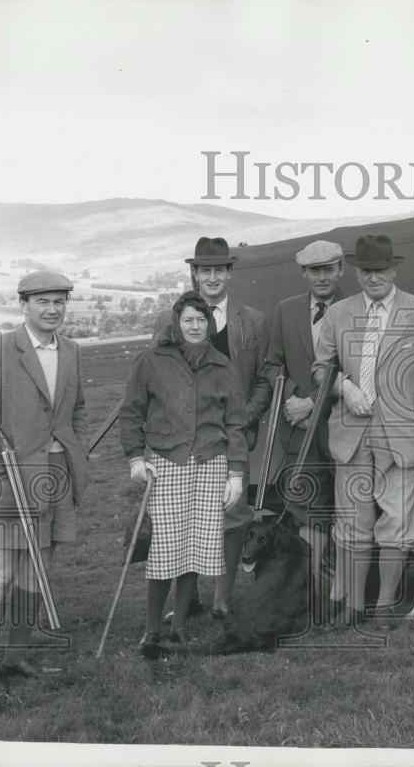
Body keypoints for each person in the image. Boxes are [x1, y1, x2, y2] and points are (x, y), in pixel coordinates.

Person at [313, 234, 414, 630]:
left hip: (403, 438)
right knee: (352, 524)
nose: (373, 278)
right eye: (366, 271)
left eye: (380, 270)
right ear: (357, 272)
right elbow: (320, 368)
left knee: (397, 524)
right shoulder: (338, 314)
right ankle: (354, 606)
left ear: (394, 269)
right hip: (351, 435)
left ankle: (384, 607)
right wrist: (343, 386)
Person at [0, 271, 90, 697]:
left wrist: (76, 452)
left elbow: (78, 413)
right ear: (24, 305)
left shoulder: (70, 351)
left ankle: (16, 654)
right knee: (2, 569)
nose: (53, 309)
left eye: (59, 302)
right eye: (43, 302)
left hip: (56, 478)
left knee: (39, 568)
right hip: (9, 481)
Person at [121, 291, 248, 657]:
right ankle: (151, 630)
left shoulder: (222, 365)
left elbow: (237, 423)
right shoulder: (152, 360)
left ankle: (178, 629)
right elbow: (132, 412)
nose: (195, 326)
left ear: (209, 323)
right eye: (188, 320)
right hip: (167, 462)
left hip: (211, 463)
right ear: (176, 323)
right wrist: (134, 459)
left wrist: (236, 474)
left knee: (194, 549)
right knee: (164, 548)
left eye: (201, 319)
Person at [154, 237, 269, 621]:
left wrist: (246, 417)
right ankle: (188, 602)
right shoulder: (172, 320)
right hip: (186, 441)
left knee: (234, 514)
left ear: (230, 273)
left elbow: (266, 377)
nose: (213, 277)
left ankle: (223, 598)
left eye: (220, 269)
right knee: (184, 515)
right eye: (206, 270)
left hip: (234, 437)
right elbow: (159, 379)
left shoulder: (252, 320)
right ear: (195, 274)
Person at [258, 239, 348, 617]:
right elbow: (272, 364)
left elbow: (360, 369)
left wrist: (314, 401)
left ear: (341, 270)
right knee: (306, 513)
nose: (323, 276)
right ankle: (309, 592)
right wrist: (294, 399)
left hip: (345, 429)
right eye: (315, 270)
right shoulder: (286, 310)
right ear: (304, 274)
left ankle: (343, 595)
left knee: (347, 513)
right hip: (299, 434)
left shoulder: (358, 309)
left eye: (330, 268)